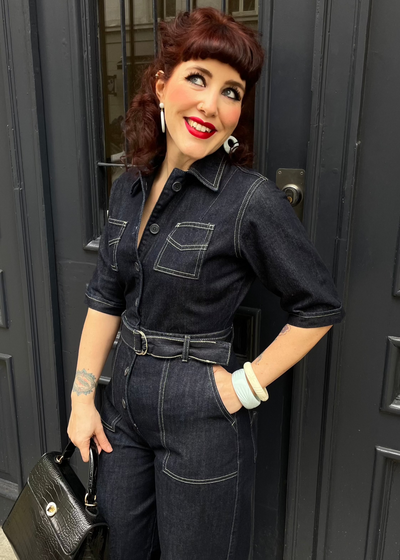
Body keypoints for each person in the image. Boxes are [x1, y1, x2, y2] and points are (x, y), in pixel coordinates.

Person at [67, 7, 344, 560]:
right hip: (121, 409)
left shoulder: (249, 200)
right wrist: (81, 398)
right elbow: (106, 295)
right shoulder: (128, 187)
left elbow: (318, 306)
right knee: (119, 548)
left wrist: (243, 387)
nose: (212, 106)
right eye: (198, 78)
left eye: (231, 92)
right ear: (161, 85)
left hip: (199, 414)